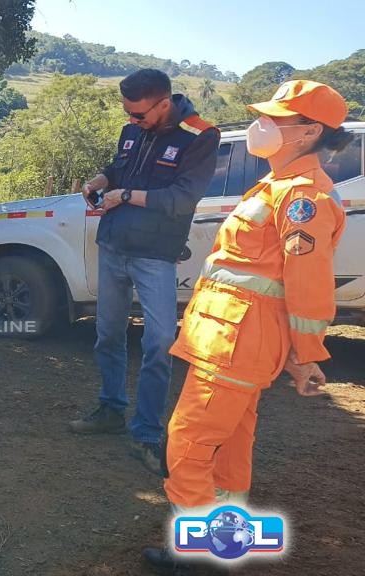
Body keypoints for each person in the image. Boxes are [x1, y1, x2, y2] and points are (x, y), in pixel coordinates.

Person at [143, 80, 351, 572]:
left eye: (276, 118)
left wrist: (307, 356)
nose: (263, 126)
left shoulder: (304, 197)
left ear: (308, 131)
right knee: (230, 445)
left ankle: (196, 556)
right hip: (228, 337)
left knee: (187, 443)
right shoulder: (280, 186)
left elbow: (309, 285)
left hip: (236, 342)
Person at [69, 69, 221, 474]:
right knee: (108, 335)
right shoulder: (132, 129)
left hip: (155, 254)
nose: (132, 121)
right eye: (128, 114)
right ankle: (110, 409)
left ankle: (147, 432)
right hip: (113, 245)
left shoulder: (200, 136)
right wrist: (102, 180)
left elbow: (183, 198)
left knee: (158, 344)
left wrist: (126, 196)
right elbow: (119, 167)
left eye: (139, 115)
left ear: (163, 103)